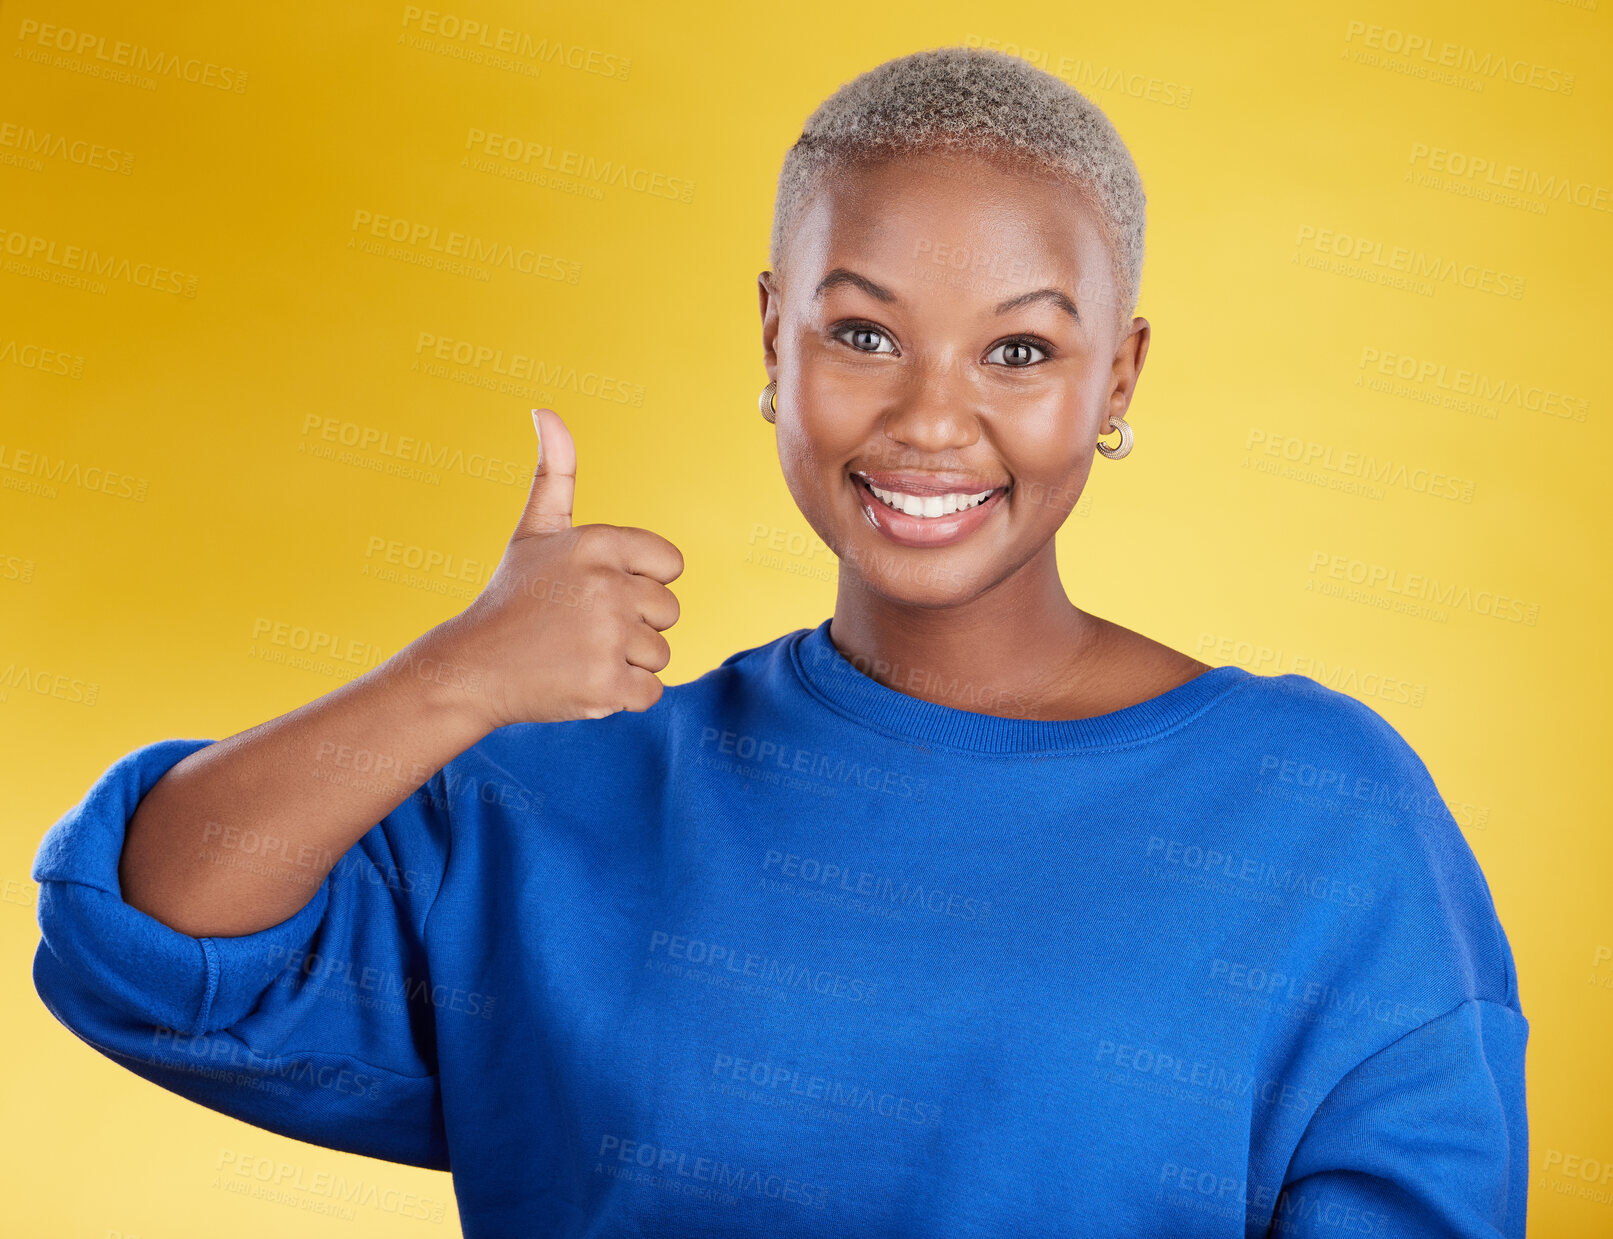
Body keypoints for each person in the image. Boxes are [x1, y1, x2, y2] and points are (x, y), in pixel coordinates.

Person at [31, 45, 1527, 1238]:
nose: (931, 420)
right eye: (860, 333)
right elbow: (151, 942)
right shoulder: (563, 796)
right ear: (771, 340)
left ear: (1117, 374)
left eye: (1021, 349)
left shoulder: (1319, 812)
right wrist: (457, 675)